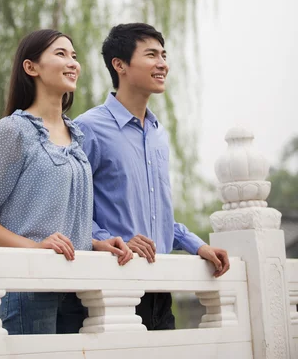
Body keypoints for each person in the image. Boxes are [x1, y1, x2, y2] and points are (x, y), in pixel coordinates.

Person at [0, 29, 132, 335]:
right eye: (60, 54)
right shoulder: (15, 130)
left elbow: (57, 218)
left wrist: (96, 243)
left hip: (76, 287)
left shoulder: (76, 136)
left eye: (74, 56)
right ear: (31, 68)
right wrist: (34, 247)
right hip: (28, 289)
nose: (72, 63)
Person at [75, 23, 230, 330]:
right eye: (151, 55)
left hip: (161, 287)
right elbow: (71, 208)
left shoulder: (157, 133)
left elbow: (156, 214)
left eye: (163, 55)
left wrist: (197, 246)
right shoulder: (89, 128)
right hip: (113, 285)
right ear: (119, 65)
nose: (163, 64)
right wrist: (112, 241)